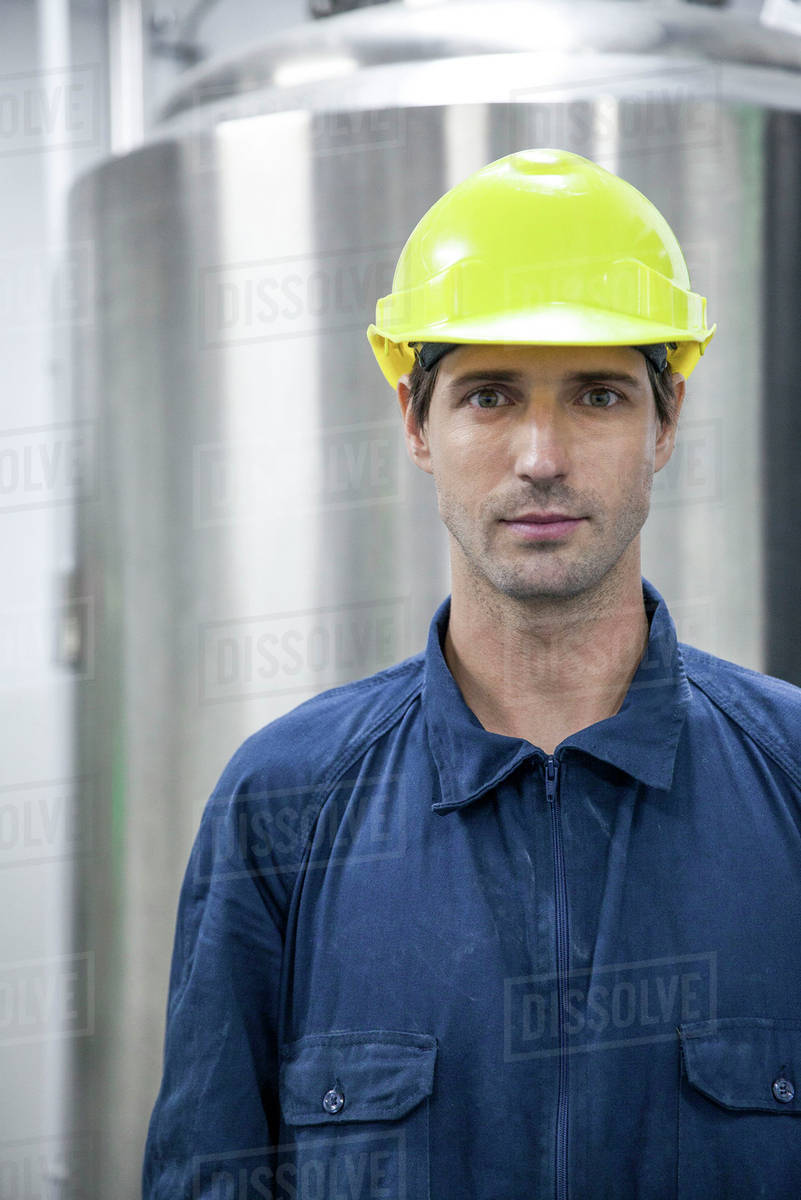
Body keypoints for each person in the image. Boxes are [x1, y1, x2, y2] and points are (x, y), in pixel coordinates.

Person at [143, 149, 801, 1199]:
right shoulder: (283, 806)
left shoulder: (789, 777)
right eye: (489, 396)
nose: (540, 456)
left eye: (596, 395)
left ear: (667, 423)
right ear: (416, 423)